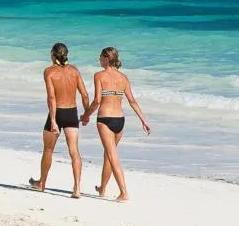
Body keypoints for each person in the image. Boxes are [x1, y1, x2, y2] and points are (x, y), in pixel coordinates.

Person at [80, 47, 151, 202]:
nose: (99, 59)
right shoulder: (123, 78)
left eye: (100, 57)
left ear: (106, 58)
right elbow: (132, 101)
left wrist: (86, 116)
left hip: (105, 119)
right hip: (120, 120)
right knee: (108, 155)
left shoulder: (99, 75)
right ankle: (102, 188)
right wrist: (143, 120)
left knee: (112, 156)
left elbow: (97, 101)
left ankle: (124, 192)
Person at [29, 43, 89, 198]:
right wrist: (86, 114)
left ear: (52, 54)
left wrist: (54, 121)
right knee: (74, 151)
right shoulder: (74, 71)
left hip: (57, 112)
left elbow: (51, 97)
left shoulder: (49, 72)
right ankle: (77, 189)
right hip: (71, 113)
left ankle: (42, 184)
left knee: (48, 150)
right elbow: (85, 95)